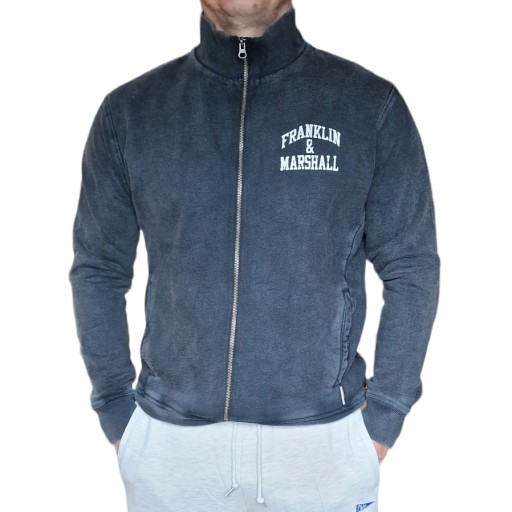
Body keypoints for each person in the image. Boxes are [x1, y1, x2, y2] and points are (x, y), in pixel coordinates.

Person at [69, 1, 440, 510]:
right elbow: (99, 269)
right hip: (171, 451)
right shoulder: (131, 112)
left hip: (324, 449)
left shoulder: (368, 106)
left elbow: (411, 265)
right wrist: (117, 410)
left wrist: (384, 415)